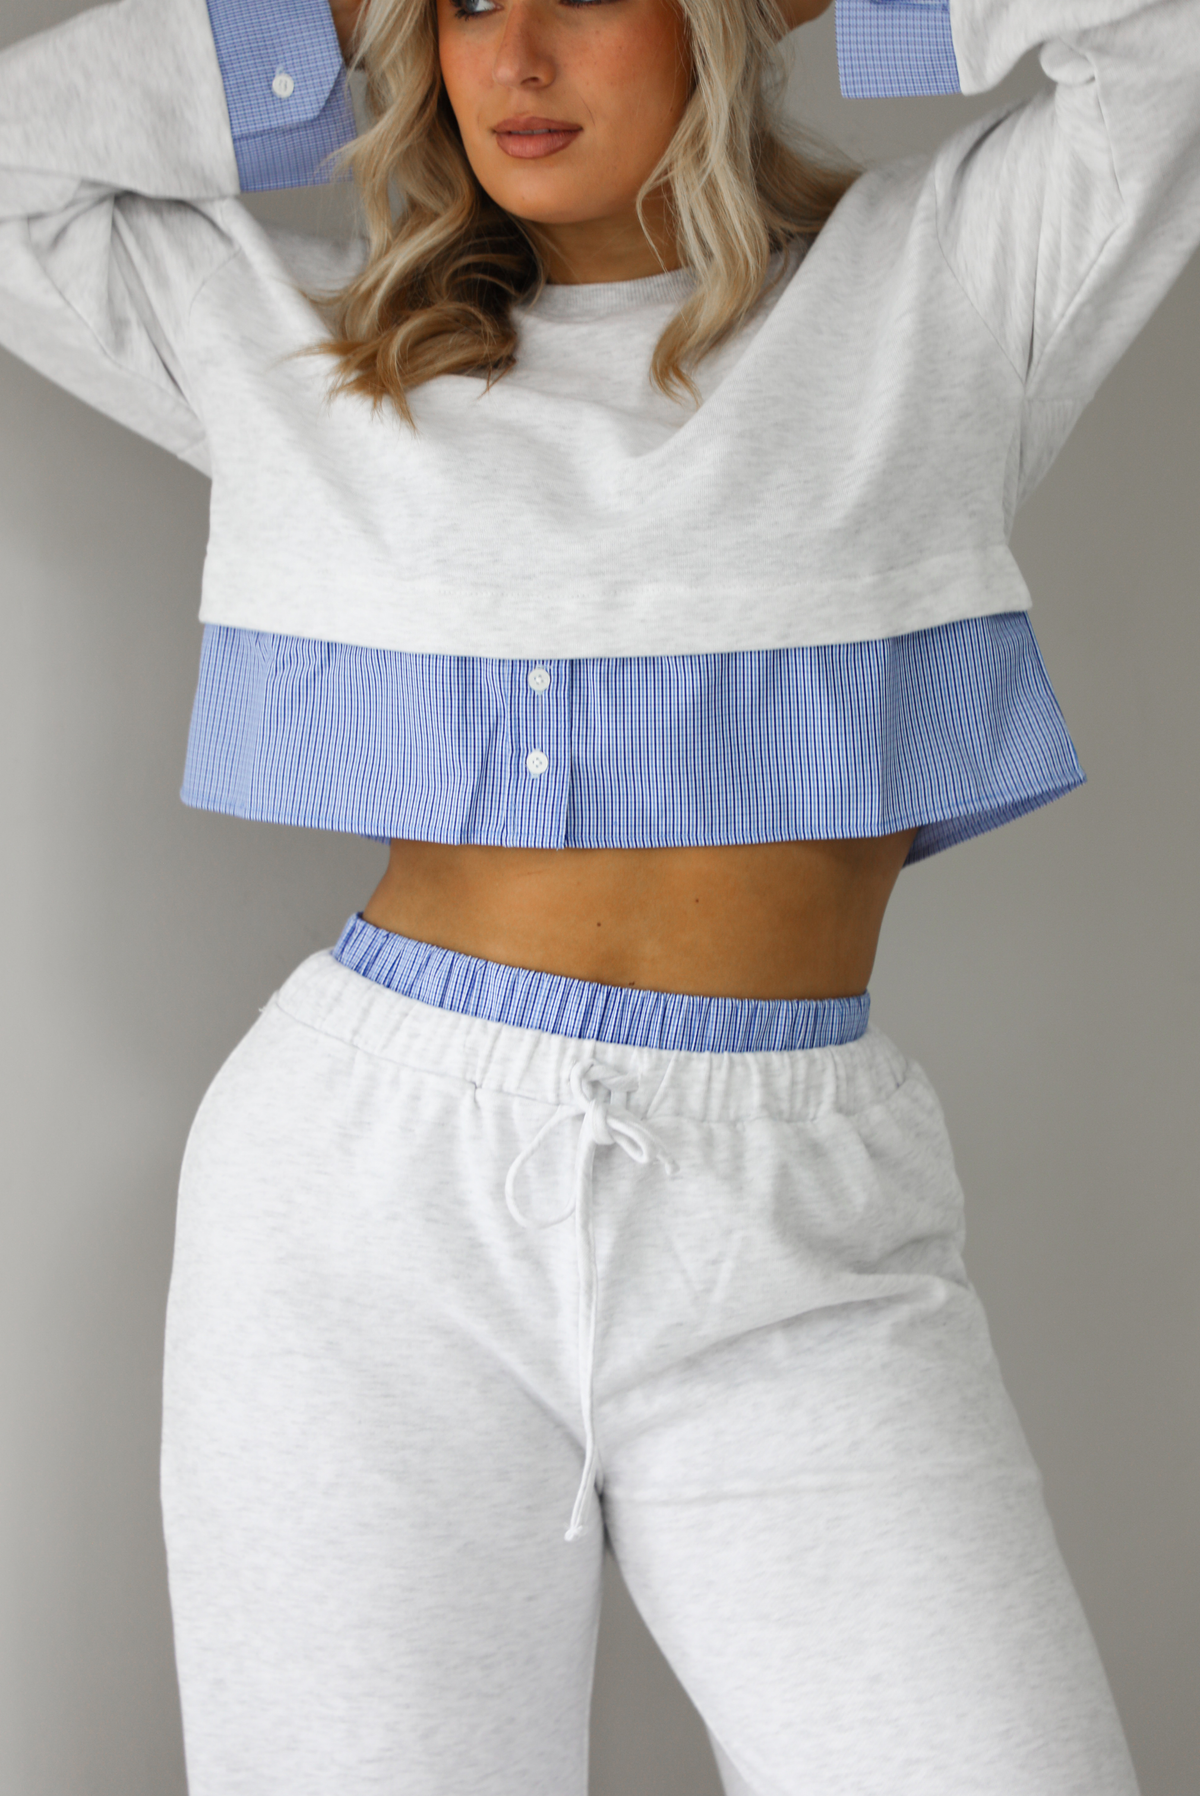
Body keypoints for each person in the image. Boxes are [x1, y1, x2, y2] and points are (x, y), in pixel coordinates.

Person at [1, 0, 1196, 1789]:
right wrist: (324, 19)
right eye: (467, 1)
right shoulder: (311, 343)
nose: (515, 54)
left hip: (799, 1216)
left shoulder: (943, 291)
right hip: (366, 1212)